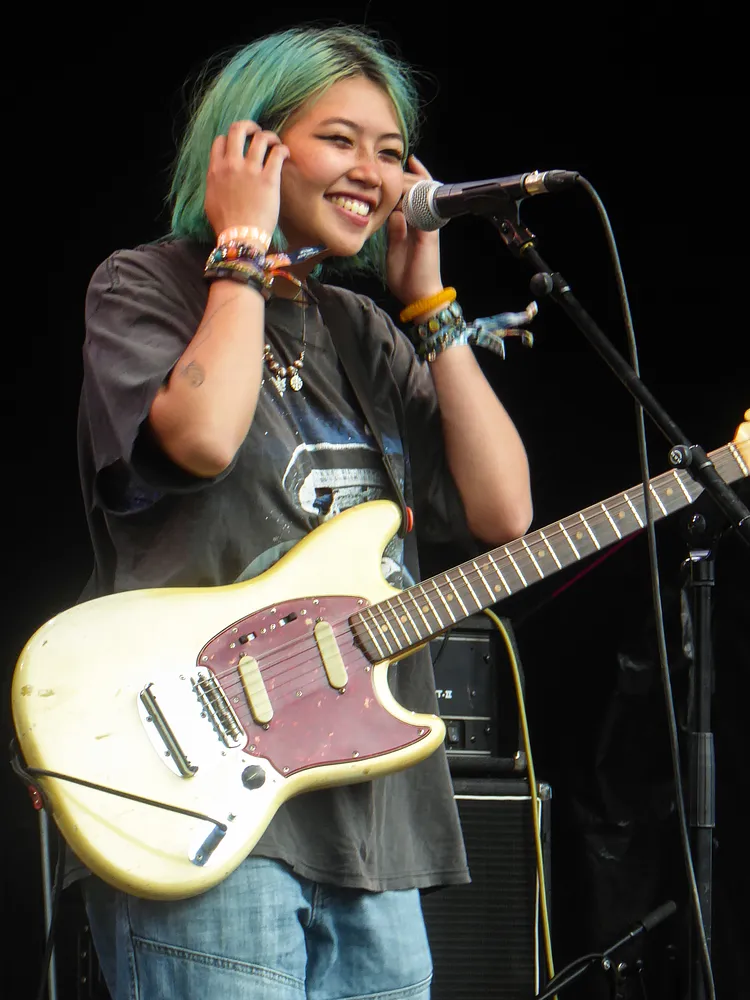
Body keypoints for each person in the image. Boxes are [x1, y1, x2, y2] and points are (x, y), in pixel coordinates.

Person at [75, 23, 533, 999]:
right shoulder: (144, 286)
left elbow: (503, 512)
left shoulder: (362, 331)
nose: (375, 171)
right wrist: (242, 248)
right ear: (249, 147)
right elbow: (201, 441)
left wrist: (432, 309)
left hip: (374, 822)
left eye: (392, 150)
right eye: (340, 139)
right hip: (202, 802)